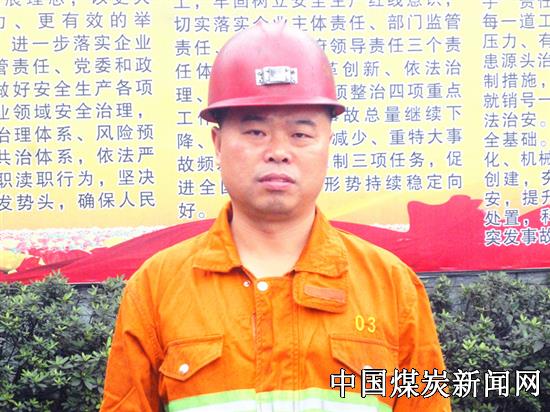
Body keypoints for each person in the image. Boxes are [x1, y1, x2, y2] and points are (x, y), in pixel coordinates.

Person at [100, 22, 451, 412]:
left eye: (300, 134)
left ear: (327, 144)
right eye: (255, 132)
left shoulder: (391, 287)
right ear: (218, 143)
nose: (278, 151)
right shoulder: (157, 288)